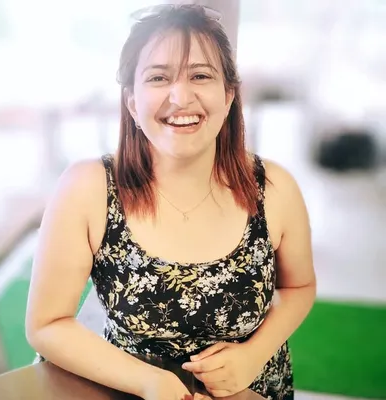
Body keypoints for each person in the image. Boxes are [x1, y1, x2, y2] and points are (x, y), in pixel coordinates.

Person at [25, 4, 316, 400]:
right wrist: (149, 381)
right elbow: (47, 324)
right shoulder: (88, 188)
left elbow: (299, 286)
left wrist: (254, 354)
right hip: (127, 390)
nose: (180, 97)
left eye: (200, 75)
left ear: (229, 95)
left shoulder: (274, 187)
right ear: (132, 102)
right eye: (159, 77)